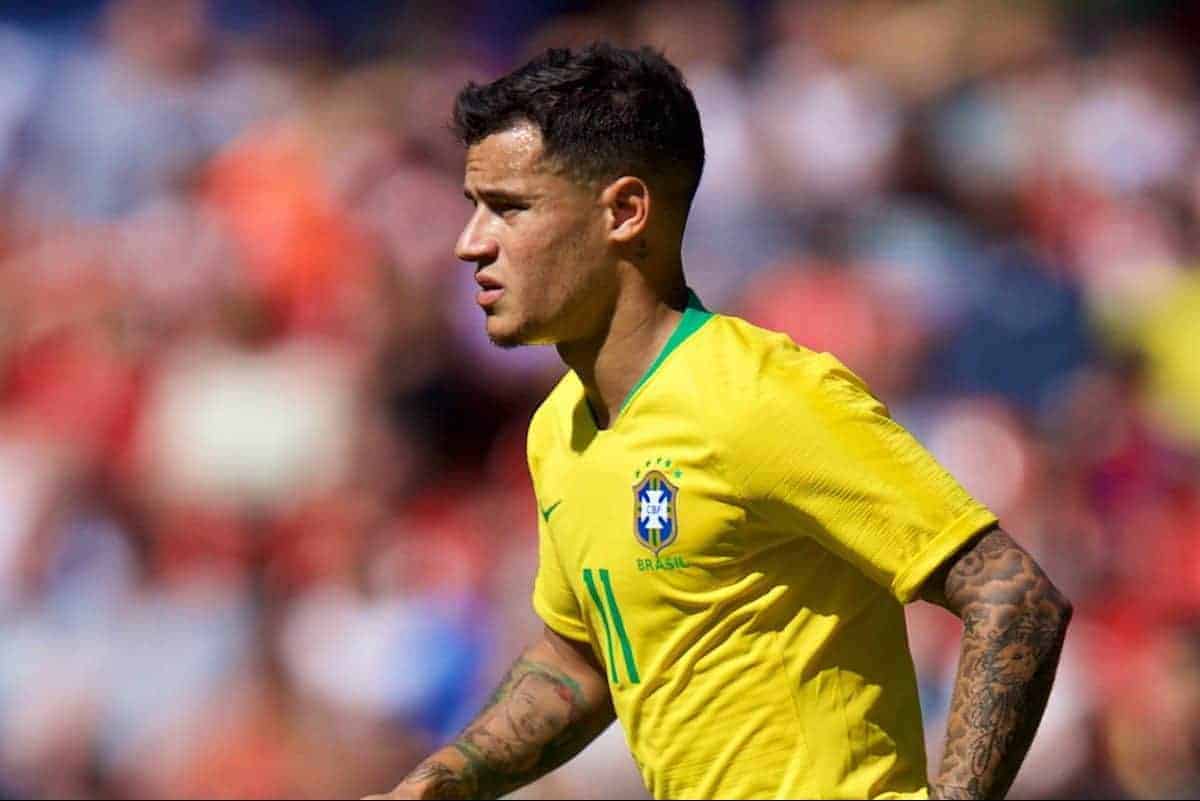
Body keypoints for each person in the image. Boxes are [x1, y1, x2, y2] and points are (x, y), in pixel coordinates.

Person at [367, 43, 1072, 801]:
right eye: (474, 206)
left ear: (625, 212)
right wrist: (446, 778)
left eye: (509, 207)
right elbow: (588, 660)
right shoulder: (559, 428)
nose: (470, 242)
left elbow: (1013, 595)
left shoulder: (762, 394)